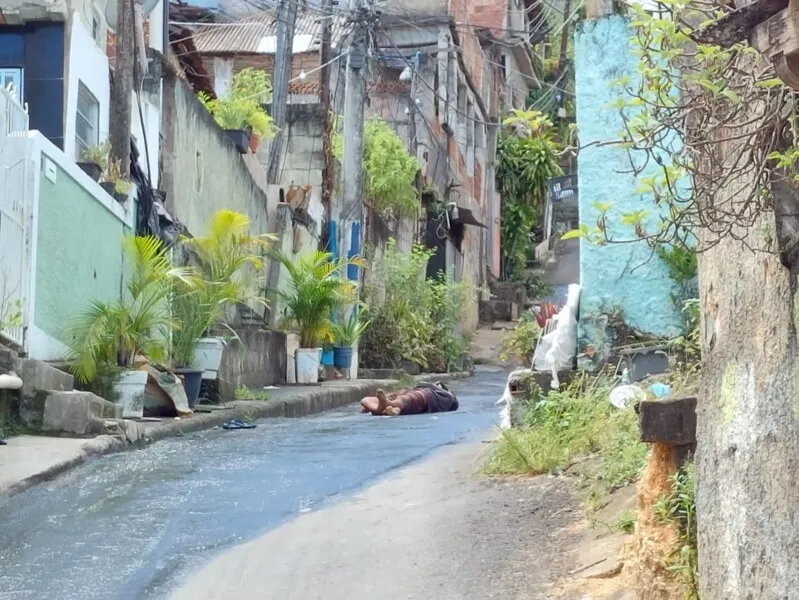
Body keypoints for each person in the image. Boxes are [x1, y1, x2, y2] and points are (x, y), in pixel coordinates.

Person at [360, 381, 459, 416]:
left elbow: (425, 385)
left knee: (406, 398)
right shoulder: (445, 401)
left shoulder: (446, 395)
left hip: (425, 396)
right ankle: (384, 409)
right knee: (366, 400)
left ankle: (384, 406)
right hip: (417, 402)